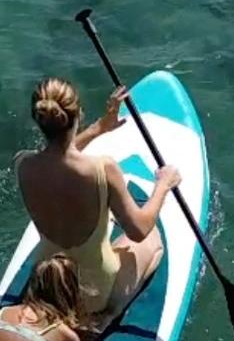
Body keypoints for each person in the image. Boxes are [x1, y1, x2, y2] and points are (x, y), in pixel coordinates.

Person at [16, 77, 182, 327]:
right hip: (91, 294)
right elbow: (139, 230)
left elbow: (59, 157)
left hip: (47, 283)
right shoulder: (102, 169)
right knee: (153, 240)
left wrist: (99, 128)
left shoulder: (23, 164)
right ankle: (107, 315)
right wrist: (163, 185)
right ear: (77, 115)